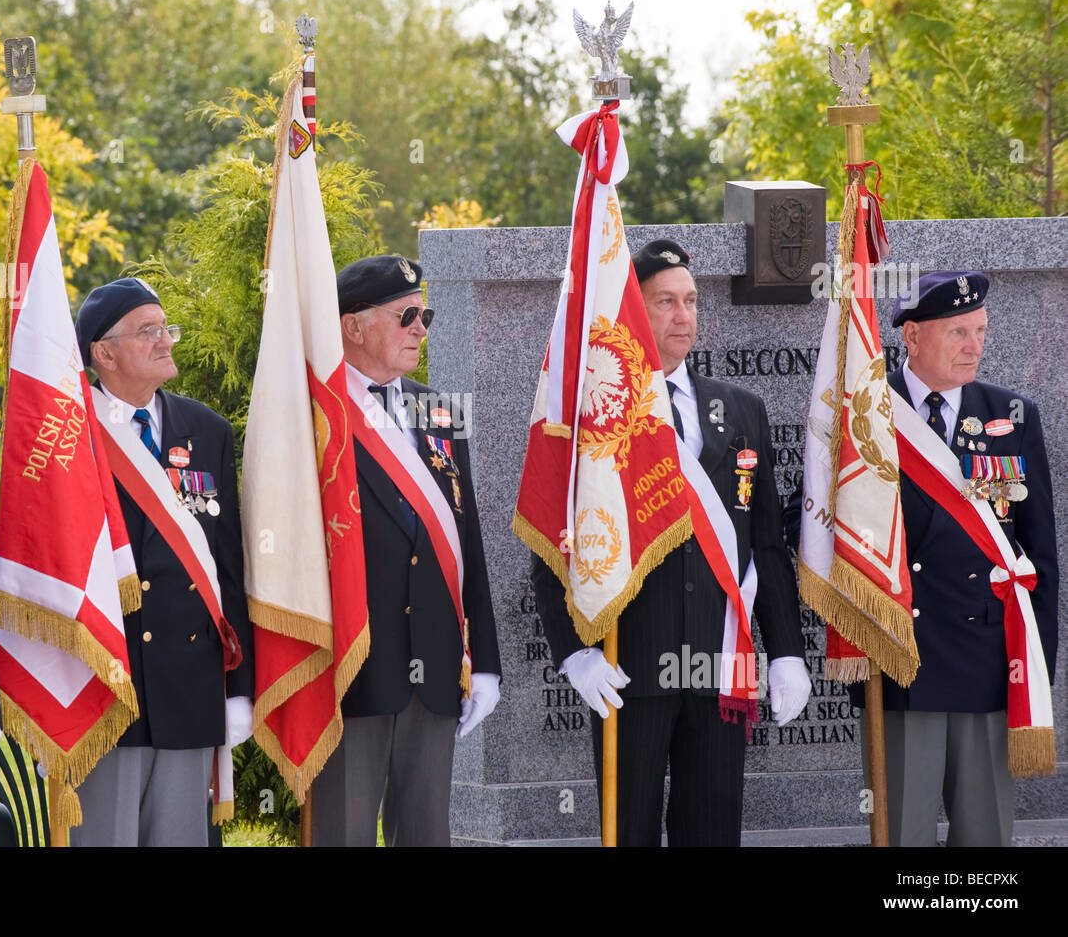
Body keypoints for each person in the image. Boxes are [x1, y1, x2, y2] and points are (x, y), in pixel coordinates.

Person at [532, 239, 810, 846]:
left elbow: (765, 543)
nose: (684, 316)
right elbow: (554, 539)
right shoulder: (597, 413)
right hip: (626, 660)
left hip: (720, 664)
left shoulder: (740, 409)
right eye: (666, 302)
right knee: (627, 831)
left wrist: (787, 650)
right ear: (635, 311)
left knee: (711, 831)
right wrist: (572, 651)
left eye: (690, 301)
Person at [312, 254, 502, 847]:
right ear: (354, 326)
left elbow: (466, 539)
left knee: (426, 835)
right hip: (350, 669)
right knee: (341, 832)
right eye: (407, 316)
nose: (421, 328)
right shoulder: (317, 416)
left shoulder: (437, 409)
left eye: (426, 315)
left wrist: (487, 661)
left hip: (436, 667)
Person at [869, 271, 1057, 846]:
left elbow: (1039, 555)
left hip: (986, 659)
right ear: (913, 337)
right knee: (903, 836)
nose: (974, 346)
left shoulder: (1012, 415)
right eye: (958, 333)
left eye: (980, 331)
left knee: (985, 839)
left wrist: (1036, 664)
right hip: (903, 659)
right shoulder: (866, 412)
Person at [72, 276, 254, 847]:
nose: (165, 340)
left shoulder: (208, 431)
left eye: (165, 327)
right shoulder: (67, 434)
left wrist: (240, 687)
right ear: (104, 353)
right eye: (147, 331)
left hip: (189, 683)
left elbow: (228, 568)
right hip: (105, 688)